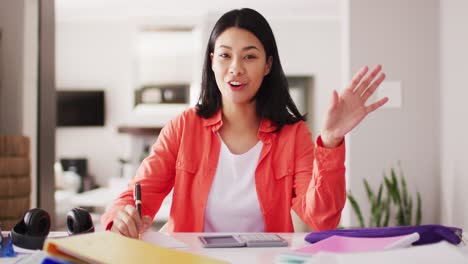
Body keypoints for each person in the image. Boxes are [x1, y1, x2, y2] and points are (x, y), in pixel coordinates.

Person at [101, 8, 388, 238]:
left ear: (267, 65)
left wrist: (331, 140)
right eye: (225, 55)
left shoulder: (294, 134)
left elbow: (321, 220)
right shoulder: (183, 127)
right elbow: (136, 195)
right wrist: (122, 216)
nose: (236, 67)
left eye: (250, 56)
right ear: (213, 62)